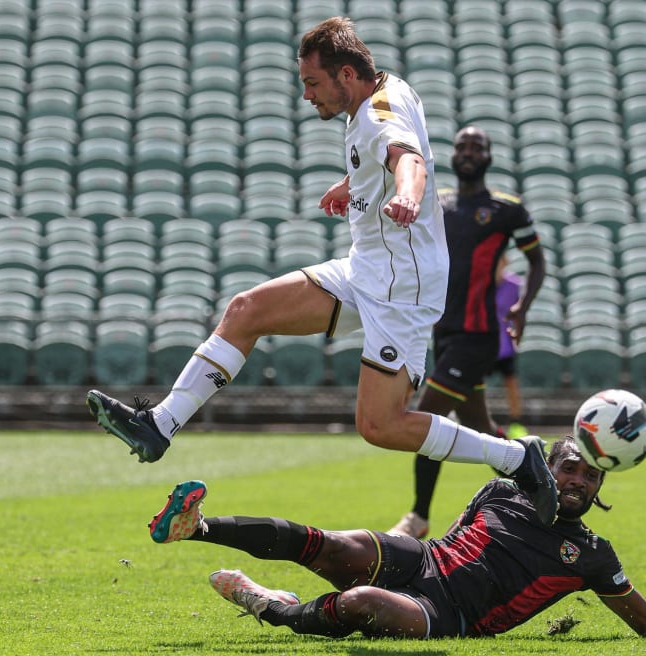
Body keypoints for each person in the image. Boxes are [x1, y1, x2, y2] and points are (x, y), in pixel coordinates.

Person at [84, 17, 558, 525]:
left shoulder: (377, 114)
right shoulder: (389, 88)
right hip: (367, 268)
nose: (307, 96)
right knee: (246, 310)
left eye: (312, 83)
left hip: (402, 287)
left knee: (379, 426)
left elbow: (409, 161)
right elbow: (388, 151)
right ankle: (160, 425)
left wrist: (404, 194)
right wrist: (354, 183)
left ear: (347, 74)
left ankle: (516, 457)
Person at [145, 437, 646, 641]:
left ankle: (269, 605)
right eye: (567, 465)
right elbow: (457, 537)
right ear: (552, 470)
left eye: (588, 473)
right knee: (334, 542)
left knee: (366, 599)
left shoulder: (592, 555)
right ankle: (196, 527)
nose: (574, 477)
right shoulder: (505, 490)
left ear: (600, 488)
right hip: (425, 562)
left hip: (451, 614)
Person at [388, 126, 546, 539]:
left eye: (478, 146)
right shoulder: (436, 205)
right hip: (443, 335)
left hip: (477, 337)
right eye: (462, 146)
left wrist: (522, 308)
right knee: (480, 428)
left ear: (490, 156)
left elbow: (538, 262)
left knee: (426, 420)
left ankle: (418, 517)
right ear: (453, 155)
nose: (469, 152)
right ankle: (541, 486)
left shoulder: (507, 208)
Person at [493, 255, 529, 439]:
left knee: (512, 385)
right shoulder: (481, 284)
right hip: (484, 344)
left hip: (505, 345)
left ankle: (516, 422)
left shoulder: (514, 284)